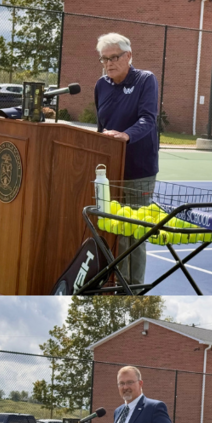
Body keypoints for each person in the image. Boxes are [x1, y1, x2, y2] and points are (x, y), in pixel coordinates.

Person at [94, 33, 160, 288]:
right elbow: (101, 127)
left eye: (114, 57)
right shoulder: (101, 85)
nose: (109, 63)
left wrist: (126, 136)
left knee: (132, 234)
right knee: (110, 228)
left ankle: (131, 287)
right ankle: (112, 281)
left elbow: (148, 119)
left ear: (128, 56)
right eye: (104, 59)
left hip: (138, 171)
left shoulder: (145, 80)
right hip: (108, 172)